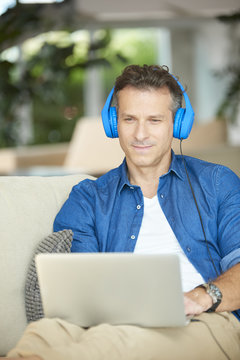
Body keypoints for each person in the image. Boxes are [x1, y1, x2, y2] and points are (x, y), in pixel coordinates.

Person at [3, 64, 240, 360]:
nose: (140, 133)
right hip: (113, 322)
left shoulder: (217, 183)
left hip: (205, 321)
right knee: (46, 333)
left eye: (154, 120)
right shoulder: (87, 198)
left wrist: (202, 296)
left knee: (111, 341)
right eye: (130, 119)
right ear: (113, 123)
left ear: (178, 124)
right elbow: (80, 288)